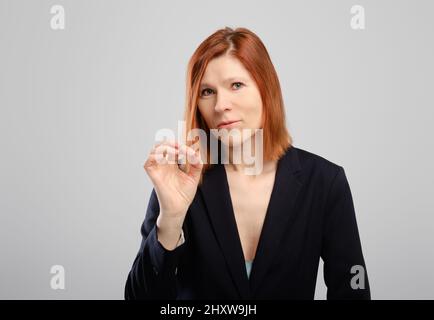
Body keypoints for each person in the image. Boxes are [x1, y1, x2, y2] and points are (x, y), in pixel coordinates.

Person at [124, 27, 371, 300]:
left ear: (266, 88)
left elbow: (352, 291)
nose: (221, 105)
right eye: (207, 91)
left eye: (236, 85)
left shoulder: (325, 182)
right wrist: (170, 218)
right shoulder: (179, 181)